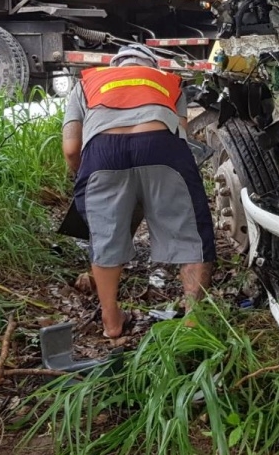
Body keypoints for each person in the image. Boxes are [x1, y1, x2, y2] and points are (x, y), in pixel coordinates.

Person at [62, 43, 215, 339]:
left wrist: (85, 177)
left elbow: (71, 149)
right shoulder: (169, 83)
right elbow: (180, 136)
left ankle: (111, 322)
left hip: (102, 154)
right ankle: (194, 319)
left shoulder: (86, 84)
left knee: (105, 235)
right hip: (162, 147)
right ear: (151, 66)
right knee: (191, 233)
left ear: (115, 66)